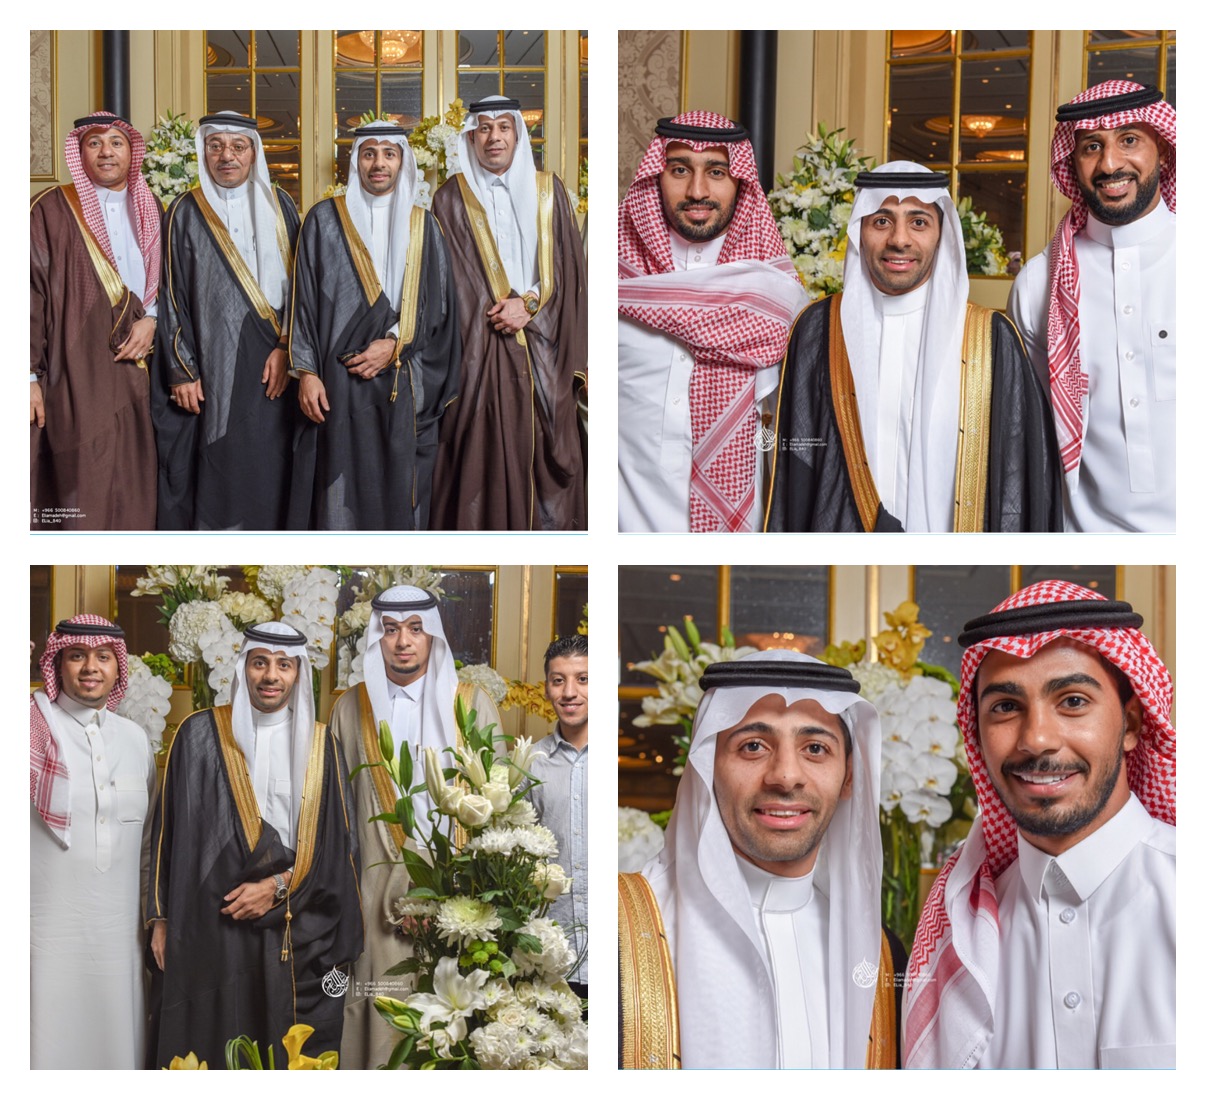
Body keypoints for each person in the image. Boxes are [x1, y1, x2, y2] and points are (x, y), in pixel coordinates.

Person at [903, 580, 1175, 1068]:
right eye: (1006, 707)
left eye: (1072, 701)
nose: (1037, 739)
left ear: (1132, 725)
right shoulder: (959, 941)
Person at [619, 651, 903, 1069]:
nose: (785, 776)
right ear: (707, 768)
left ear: (848, 777)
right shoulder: (620, 930)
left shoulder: (881, 954)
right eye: (753, 746)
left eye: (815, 748)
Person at [766, 162, 1062, 532]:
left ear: (942, 235)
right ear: (860, 231)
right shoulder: (818, 328)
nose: (899, 240)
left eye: (918, 222)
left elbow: (1018, 475)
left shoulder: (990, 338)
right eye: (881, 221)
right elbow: (797, 467)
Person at [146, 622, 362, 1069]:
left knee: (283, 1045)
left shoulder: (322, 745)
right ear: (243, 666)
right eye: (260, 662)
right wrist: (161, 919)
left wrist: (279, 885)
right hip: (211, 922)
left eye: (284, 665)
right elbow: (167, 832)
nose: (271, 676)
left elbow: (338, 847)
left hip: (292, 924)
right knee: (212, 1039)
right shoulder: (198, 733)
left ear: (299, 674)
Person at [332, 586, 503, 1069]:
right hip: (372, 900)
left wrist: (457, 898)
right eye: (390, 630)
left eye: (415, 629)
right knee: (378, 1024)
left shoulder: (472, 704)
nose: (403, 641)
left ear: (434, 636)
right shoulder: (350, 707)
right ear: (376, 638)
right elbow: (335, 817)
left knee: (451, 1030)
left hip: (459, 904)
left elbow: (497, 813)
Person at [618, 111, 808, 532]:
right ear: (656, 176)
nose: (697, 191)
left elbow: (788, 433)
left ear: (740, 181)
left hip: (739, 532)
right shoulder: (612, 274)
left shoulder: (776, 297)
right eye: (679, 170)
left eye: (717, 172)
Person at [1008, 81, 1176, 532]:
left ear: (1162, 148)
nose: (1110, 164)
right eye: (1091, 147)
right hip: (1084, 539)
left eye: (1129, 140)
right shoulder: (1038, 284)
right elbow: (1034, 432)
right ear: (1071, 160)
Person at [288, 120, 460, 530]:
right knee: (338, 479)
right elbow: (303, 303)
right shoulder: (323, 219)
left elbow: (438, 307)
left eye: (388, 154)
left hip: (403, 376)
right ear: (356, 162)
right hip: (337, 380)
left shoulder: (424, 225)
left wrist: (395, 342)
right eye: (369, 154)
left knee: (399, 483)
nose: (378, 164)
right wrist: (307, 373)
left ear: (402, 162)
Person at [431, 96, 587, 531]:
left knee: (545, 446)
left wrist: (529, 303)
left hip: (544, 346)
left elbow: (569, 268)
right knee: (476, 451)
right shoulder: (449, 199)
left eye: (503, 127)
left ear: (518, 134)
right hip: (475, 351)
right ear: (471, 138)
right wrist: (491, 316)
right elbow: (442, 284)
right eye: (484, 128)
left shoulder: (548, 191)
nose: (494, 137)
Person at [152, 111, 300, 530]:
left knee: (271, 456)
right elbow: (171, 294)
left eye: (238, 146)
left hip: (275, 358)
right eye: (215, 146)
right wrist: (182, 371)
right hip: (211, 359)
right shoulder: (184, 210)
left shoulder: (281, 206)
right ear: (204, 152)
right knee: (221, 454)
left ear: (254, 153)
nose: (226, 156)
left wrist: (287, 348)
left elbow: (303, 288)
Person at [30, 615, 156, 1069]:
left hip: (119, 942)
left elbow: (149, 846)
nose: (90, 668)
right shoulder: (29, 731)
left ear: (118, 667)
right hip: (40, 941)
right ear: (56, 663)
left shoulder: (135, 739)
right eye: (77, 656)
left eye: (103, 657)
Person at [31, 111, 160, 530]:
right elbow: (26, 294)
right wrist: (25, 375)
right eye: (94, 143)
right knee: (82, 477)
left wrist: (153, 319)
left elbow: (173, 282)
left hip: (144, 365)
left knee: (135, 479)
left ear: (131, 151)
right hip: (75, 365)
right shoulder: (51, 209)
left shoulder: (153, 207)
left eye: (116, 142)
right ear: (80, 152)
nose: (107, 152)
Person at [528, 634, 588, 1001]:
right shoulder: (530, 763)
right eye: (558, 680)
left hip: (617, 951)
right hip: (552, 955)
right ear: (547, 688)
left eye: (583, 679)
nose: (569, 692)